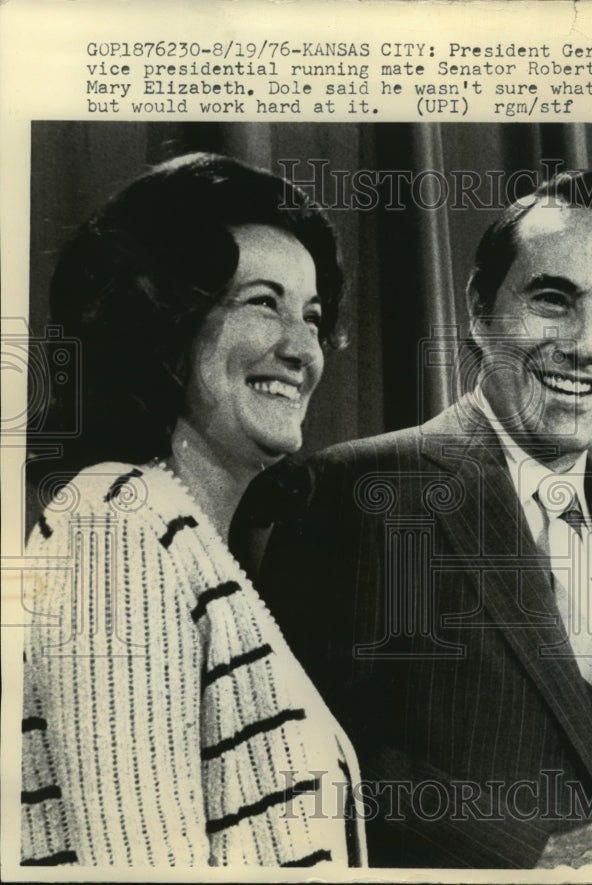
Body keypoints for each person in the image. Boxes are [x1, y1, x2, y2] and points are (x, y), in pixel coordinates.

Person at [254, 171, 592, 870]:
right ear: (478, 308)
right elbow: (287, 767)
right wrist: (538, 854)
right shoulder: (349, 494)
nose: (587, 345)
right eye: (554, 300)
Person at [20, 153, 366, 867]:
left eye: (313, 316)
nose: (303, 348)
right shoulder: (113, 525)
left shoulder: (183, 544)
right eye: (263, 302)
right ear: (163, 323)